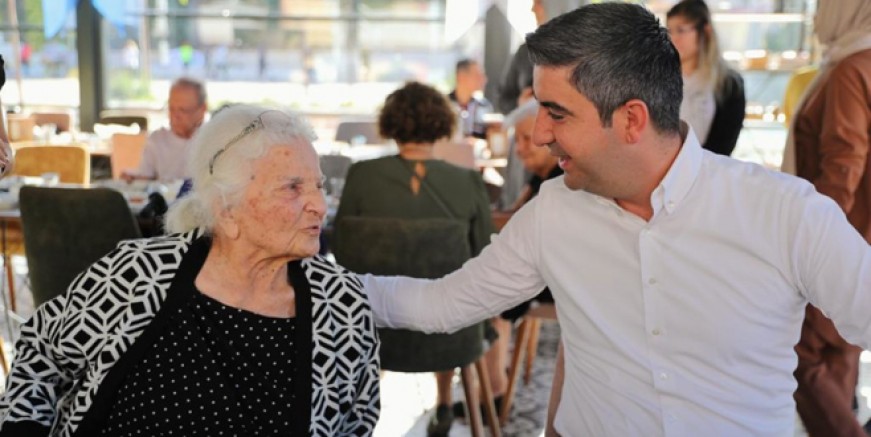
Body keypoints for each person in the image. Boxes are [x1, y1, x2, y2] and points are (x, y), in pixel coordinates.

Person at [360, 3, 871, 435]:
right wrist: (312, 285)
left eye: (556, 113)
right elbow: (442, 304)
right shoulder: (554, 212)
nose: (538, 135)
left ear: (631, 119)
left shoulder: (785, 213)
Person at [0, 104, 381, 436]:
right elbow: (41, 355)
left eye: (318, 184)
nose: (319, 204)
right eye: (293, 188)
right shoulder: (135, 273)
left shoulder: (340, 305)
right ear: (225, 209)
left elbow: (356, 421)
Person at [333, 81, 494, 437]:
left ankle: (362, 406)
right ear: (441, 123)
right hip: (452, 337)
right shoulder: (467, 181)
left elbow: (342, 256)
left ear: (390, 123)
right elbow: (484, 257)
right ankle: (444, 401)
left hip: (374, 333)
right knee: (447, 292)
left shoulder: (362, 176)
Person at [789, 1, 871, 435]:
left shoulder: (850, 70)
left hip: (843, 240)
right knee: (839, 357)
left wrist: (811, 246)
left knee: (801, 351)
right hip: (861, 238)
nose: (819, 16)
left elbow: (842, 168)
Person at [666, 0, 745, 156]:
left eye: (681, 30)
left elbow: (724, 143)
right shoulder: (659, 77)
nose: (673, 38)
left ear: (705, 31)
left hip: (709, 170)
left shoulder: (728, 83)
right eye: (669, 31)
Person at [122, 77, 207, 182]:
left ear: (202, 110)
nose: (175, 116)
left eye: (183, 110)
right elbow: (145, 178)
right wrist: (133, 179)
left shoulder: (213, 140)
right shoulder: (157, 140)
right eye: (171, 108)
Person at [448, 59, 493, 140]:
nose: (483, 79)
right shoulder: (444, 106)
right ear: (461, 77)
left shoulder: (484, 106)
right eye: (477, 75)